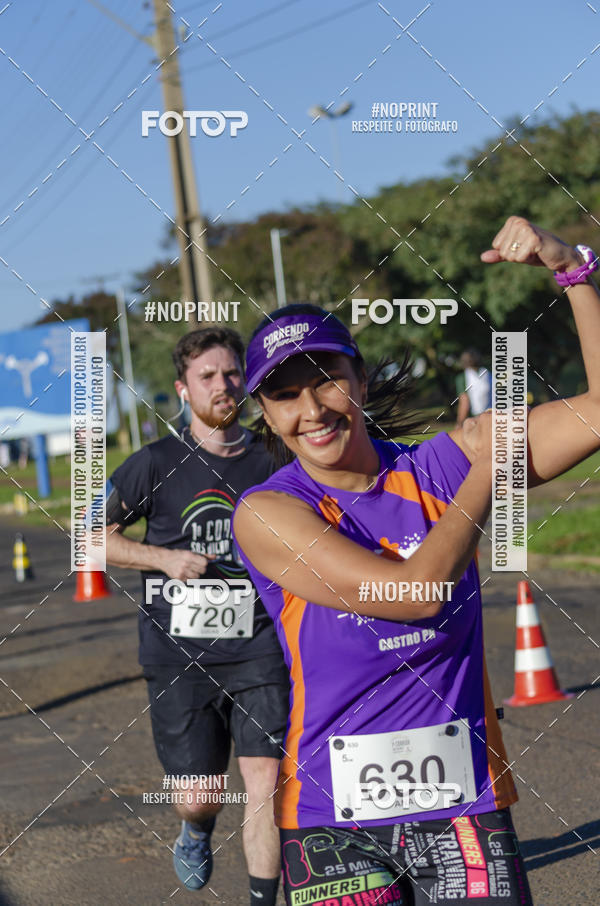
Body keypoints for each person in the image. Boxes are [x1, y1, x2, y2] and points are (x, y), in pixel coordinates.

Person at [232, 216, 600, 905]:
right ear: (265, 412)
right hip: (330, 825)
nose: (311, 408)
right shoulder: (266, 512)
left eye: (326, 380)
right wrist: (487, 476)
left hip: (461, 805)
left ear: (360, 381)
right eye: (284, 394)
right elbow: (414, 594)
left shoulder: (444, 463)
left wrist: (573, 272)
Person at [104, 327, 289, 904]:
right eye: (207, 377)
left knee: (265, 783)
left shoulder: (273, 456)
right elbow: (90, 537)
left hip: (260, 650)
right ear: (183, 390)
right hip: (178, 656)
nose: (223, 385)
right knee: (200, 793)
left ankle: (264, 897)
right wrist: (163, 559)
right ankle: (196, 827)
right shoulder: (154, 462)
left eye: (232, 373)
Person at [455, 348, 493, 426]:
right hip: (493, 416)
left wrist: (459, 423)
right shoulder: (489, 372)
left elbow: (464, 402)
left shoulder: (463, 378)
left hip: (476, 419)